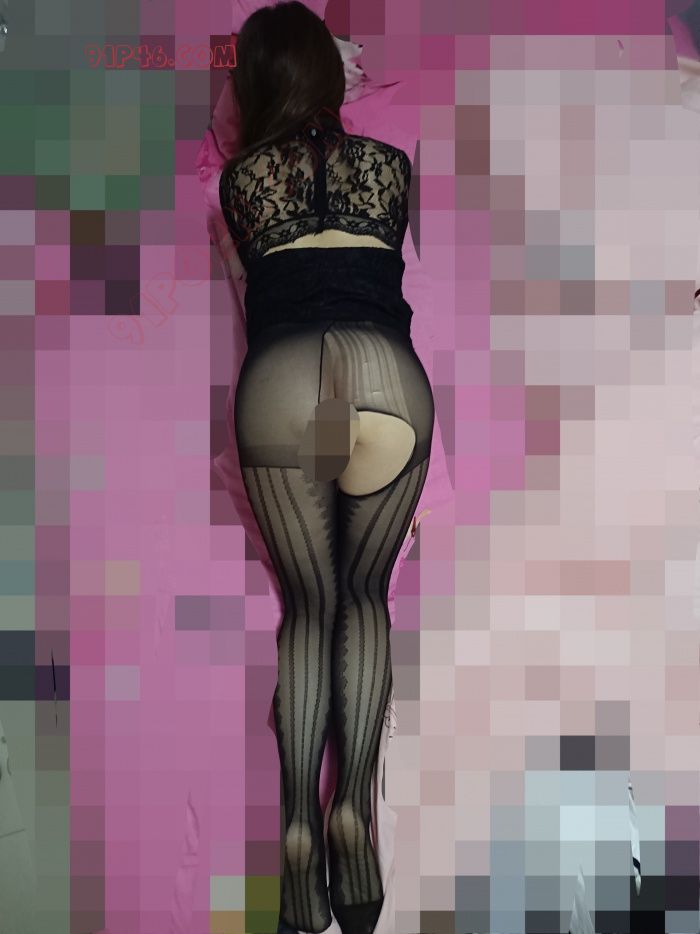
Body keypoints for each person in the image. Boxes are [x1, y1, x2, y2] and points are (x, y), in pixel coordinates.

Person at [218, 3, 435, 932]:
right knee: (366, 600)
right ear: (331, 75)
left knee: (311, 608)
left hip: (285, 389)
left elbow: (262, 284)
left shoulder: (240, 183)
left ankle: (300, 842)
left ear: (254, 86)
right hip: (387, 384)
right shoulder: (390, 168)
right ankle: (356, 817)